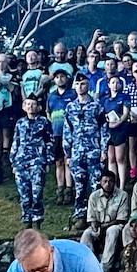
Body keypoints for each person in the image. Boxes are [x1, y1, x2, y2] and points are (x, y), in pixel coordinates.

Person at [63, 74, 109, 229]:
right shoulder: (70, 107)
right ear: (74, 86)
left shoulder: (97, 106)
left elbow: (104, 129)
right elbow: (67, 131)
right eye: (78, 84)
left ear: (88, 86)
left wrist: (104, 150)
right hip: (77, 153)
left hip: (94, 151)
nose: (81, 87)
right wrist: (68, 154)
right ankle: (80, 215)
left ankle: (96, 216)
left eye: (83, 84)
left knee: (96, 186)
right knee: (80, 187)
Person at [11, 95, 52, 229]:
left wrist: (48, 161)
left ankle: (37, 222)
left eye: (33, 104)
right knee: (24, 194)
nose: (30, 107)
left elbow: (50, 141)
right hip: (21, 163)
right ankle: (26, 223)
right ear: (24, 106)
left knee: (37, 193)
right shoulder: (20, 123)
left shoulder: (44, 122)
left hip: (37, 162)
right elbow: (15, 142)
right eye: (27, 104)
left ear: (38, 107)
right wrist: (13, 162)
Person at [80, 170, 130, 272]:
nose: (108, 184)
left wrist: (105, 226)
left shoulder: (122, 195)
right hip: (98, 225)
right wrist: (94, 227)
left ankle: (105, 267)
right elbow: (91, 218)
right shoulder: (94, 196)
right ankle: (88, 264)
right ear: (100, 182)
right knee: (87, 234)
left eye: (111, 181)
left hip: (115, 225)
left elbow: (122, 218)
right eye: (105, 181)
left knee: (112, 231)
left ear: (115, 182)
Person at [46, 68, 77, 205]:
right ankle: (60, 189)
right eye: (57, 77)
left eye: (62, 76)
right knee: (58, 162)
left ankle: (69, 189)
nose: (60, 79)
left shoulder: (73, 94)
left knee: (68, 161)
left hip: (70, 133)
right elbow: (48, 112)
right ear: (54, 80)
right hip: (56, 133)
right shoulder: (51, 96)